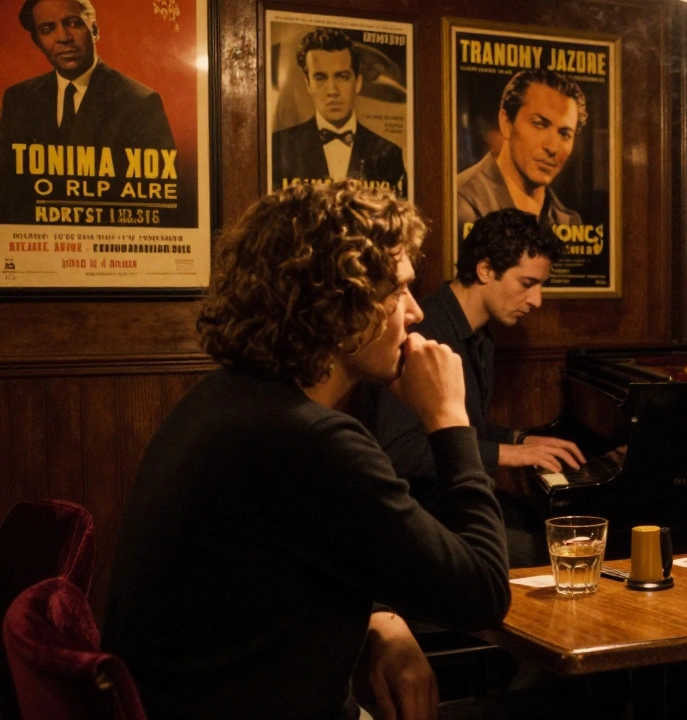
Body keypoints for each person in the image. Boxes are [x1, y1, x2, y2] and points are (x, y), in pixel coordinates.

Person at [104, 181, 510, 720]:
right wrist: (448, 418)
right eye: (398, 292)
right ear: (339, 307)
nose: (415, 313)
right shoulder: (308, 441)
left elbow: (282, 581)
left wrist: (380, 619)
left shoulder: (224, 400)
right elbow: (481, 592)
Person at [360, 208, 584, 566]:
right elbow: (399, 450)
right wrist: (506, 455)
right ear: (485, 270)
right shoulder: (424, 334)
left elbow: (463, 425)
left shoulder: (478, 335)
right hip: (419, 519)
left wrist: (518, 439)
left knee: (561, 529)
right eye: (527, 284)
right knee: (558, 551)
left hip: (447, 506)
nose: (537, 301)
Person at [0, 0, 175, 220]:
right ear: (37, 41)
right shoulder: (19, 98)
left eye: (73, 23)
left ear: (94, 30)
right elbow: (8, 191)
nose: (63, 37)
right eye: (47, 29)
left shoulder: (139, 102)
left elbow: (160, 202)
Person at [272, 27, 407, 196]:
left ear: (357, 83)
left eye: (342, 77)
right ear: (308, 84)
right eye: (320, 78)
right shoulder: (278, 147)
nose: (332, 90)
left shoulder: (390, 154)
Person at [456, 69, 585, 237]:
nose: (552, 147)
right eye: (539, 124)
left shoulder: (567, 220)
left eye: (565, 134)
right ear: (506, 123)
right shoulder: (461, 202)